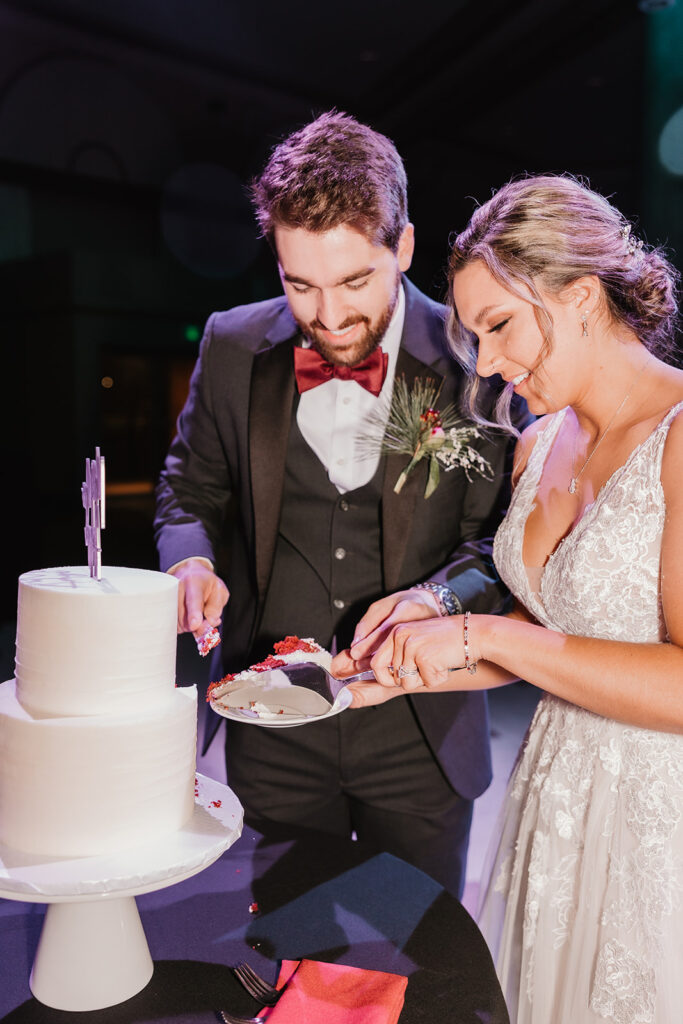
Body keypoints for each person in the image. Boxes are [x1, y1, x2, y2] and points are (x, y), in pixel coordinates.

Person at [335, 174, 683, 1023]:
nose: (484, 362)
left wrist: (483, 632)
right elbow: (556, 638)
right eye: (472, 332)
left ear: (581, 294)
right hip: (552, 801)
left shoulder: (678, 438)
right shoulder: (536, 444)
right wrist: (415, 663)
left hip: (656, 822)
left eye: (499, 325)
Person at [154, 111, 525, 898]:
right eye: (299, 284)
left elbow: (498, 537)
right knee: (291, 949)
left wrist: (431, 600)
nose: (327, 316)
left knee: (421, 966)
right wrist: (189, 559)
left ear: (406, 248)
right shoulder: (229, 344)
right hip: (269, 722)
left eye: (355, 280)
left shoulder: (478, 361)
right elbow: (190, 486)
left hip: (421, 728)